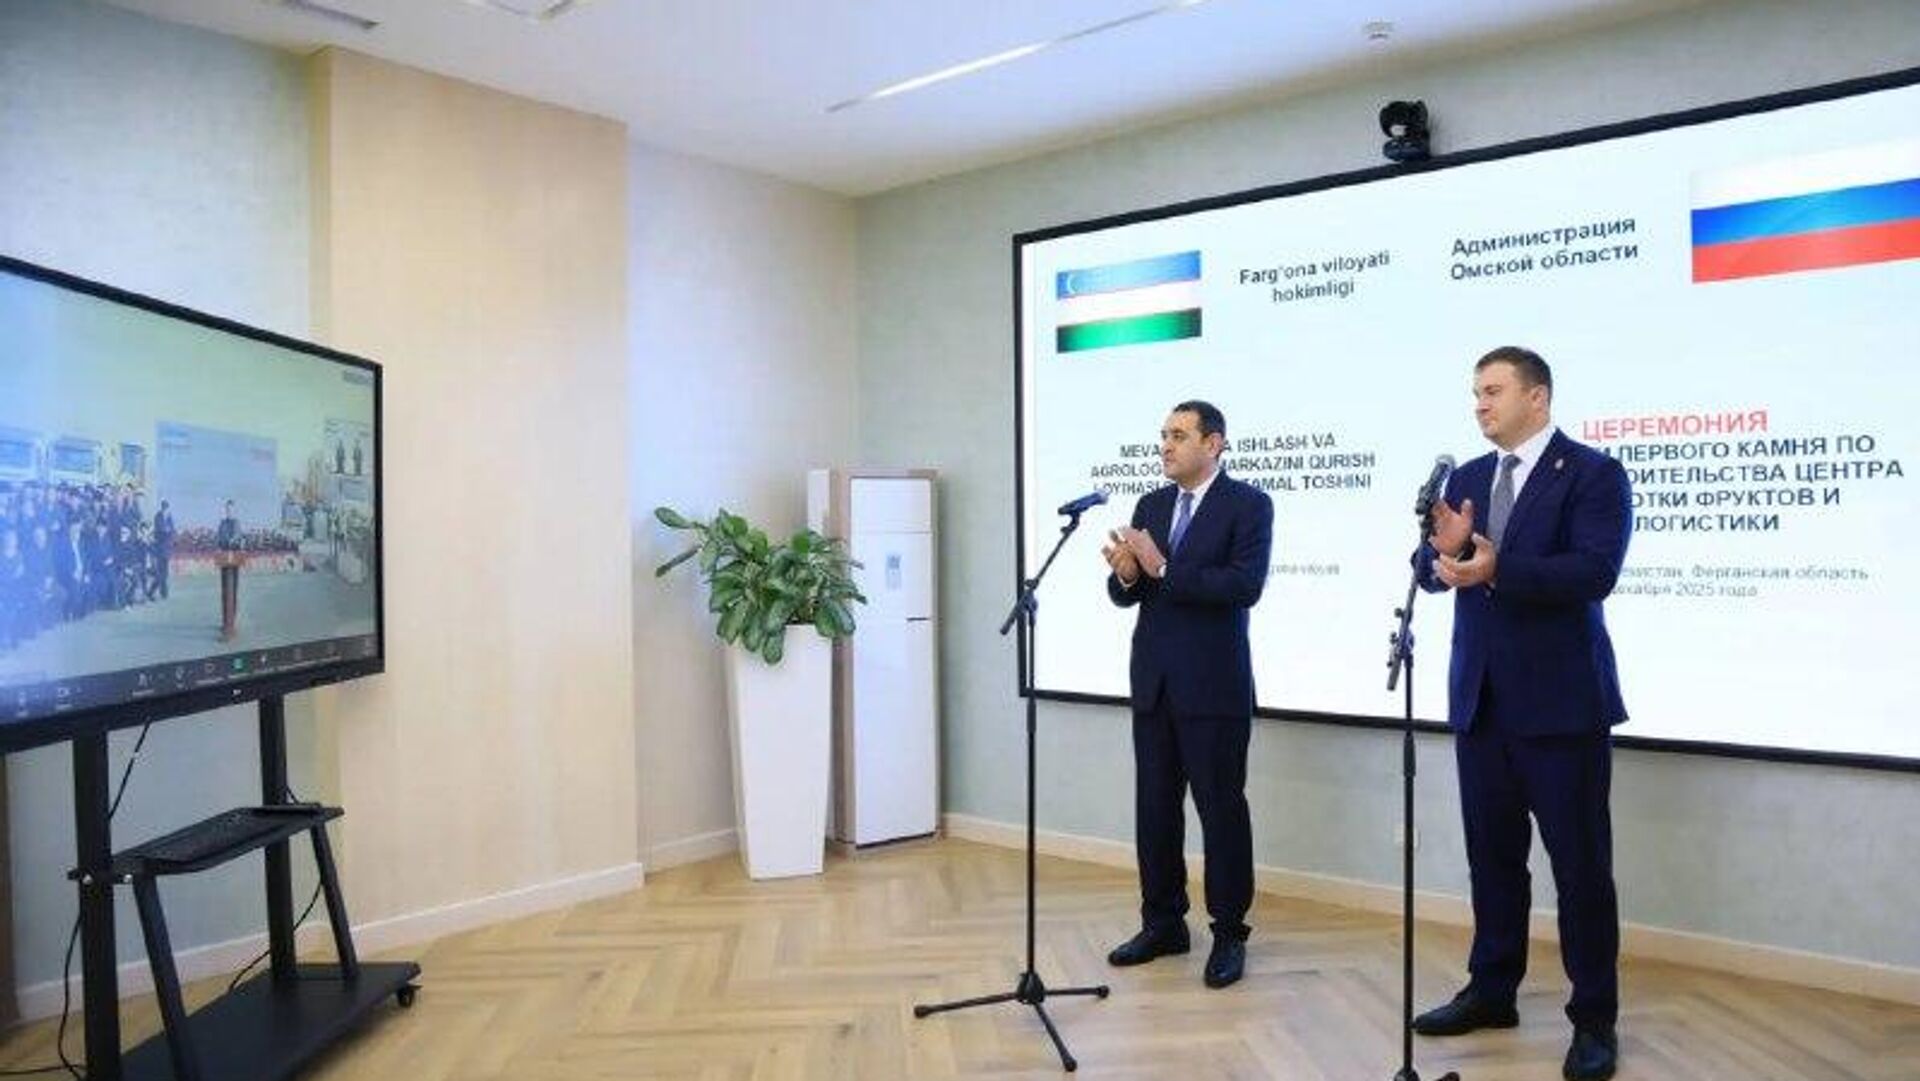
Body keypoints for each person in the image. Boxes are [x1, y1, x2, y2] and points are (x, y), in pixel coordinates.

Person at [1412, 346, 1631, 1081]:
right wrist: (1441, 553)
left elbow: (1594, 571)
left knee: (1581, 870)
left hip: (1562, 707)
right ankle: (1492, 989)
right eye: (1475, 392)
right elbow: (1430, 572)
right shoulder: (1468, 478)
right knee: (1493, 860)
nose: (1480, 403)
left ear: (1537, 397)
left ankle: (1594, 1019)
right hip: (1482, 703)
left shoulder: (1593, 474)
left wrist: (1497, 565)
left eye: (1494, 390)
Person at [1101, 400, 1273, 989]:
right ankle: (1163, 923)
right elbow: (1130, 593)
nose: (1166, 446)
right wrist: (1127, 574)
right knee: (1154, 808)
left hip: (1214, 687)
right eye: (1163, 435)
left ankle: (1229, 933)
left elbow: (1244, 586)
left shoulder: (1249, 504)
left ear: (1213, 443)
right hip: (1154, 683)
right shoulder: (1150, 505)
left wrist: (1164, 569)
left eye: (1179, 435)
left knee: (1221, 811)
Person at [217, 500, 243, 641]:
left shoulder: (237, 524)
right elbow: (219, 538)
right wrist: (222, 543)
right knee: (224, 591)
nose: (229, 512)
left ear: (234, 510)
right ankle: (225, 622)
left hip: (234, 560)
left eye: (231, 509)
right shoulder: (222, 524)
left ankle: (231, 623)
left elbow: (239, 537)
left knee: (233, 591)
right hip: (224, 559)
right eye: (227, 509)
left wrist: (233, 541)